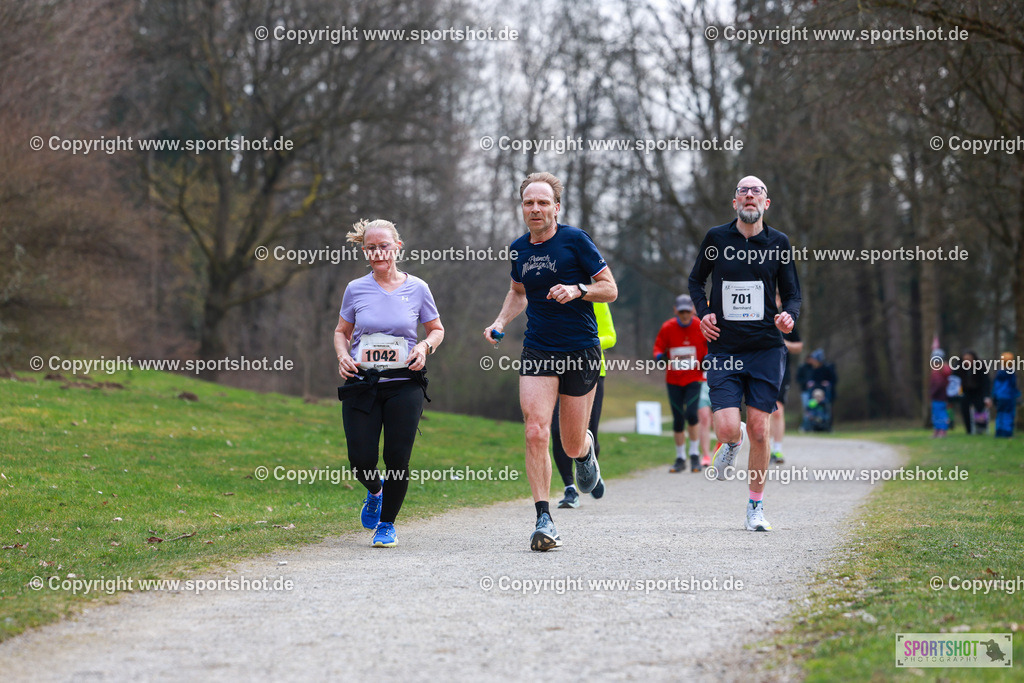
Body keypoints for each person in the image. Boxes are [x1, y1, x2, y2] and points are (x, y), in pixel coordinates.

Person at [485, 172, 617, 551]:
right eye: (529, 202)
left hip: (580, 350)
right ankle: (544, 518)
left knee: (571, 443)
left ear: (556, 208)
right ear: (522, 208)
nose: (536, 208)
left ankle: (586, 451)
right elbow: (518, 292)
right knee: (535, 430)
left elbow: (610, 288)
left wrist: (579, 289)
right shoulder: (519, 249)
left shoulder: (575, 241)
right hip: (538, 349)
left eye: (543, 202)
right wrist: (500, 321)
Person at [688, 175, 801, 532]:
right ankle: (731, 442)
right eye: (743, 191)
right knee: (725, 429)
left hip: (766, 348)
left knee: (760, 429)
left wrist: (789, 317)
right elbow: (695, 281)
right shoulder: (716, 238)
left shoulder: (779, 243)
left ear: (766, 203)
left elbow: (793, 294)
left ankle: (755, 506)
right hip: (724, 347)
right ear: (735, 202)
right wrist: (702, 311)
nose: (749, 195)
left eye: (757, 192)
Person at [334, 219, 444, 547]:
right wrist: (342, 356)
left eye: (384, 245)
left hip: (404, 384)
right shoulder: (355, 289)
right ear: (364, 250)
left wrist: (425, 346)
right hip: (362, 383)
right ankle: (375, 491)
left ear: (397, 246)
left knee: (398, 458)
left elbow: (437, 328)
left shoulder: (418, 288)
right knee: (361, 459)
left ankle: (387, 524)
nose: (378, 251)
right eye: (371, 247)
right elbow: (342, 332)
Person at [554, 302, 615, 508]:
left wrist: (582, 342)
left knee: (588, 433)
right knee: (556, 431)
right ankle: (569, 488)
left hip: (591, 371)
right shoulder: (552, 297)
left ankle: (590, 470)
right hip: (556, 371)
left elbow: (611, 336)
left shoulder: (596, 298)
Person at [653, 294, 709, 473]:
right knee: (678, 419)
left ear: (692, 310)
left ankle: (694, 455)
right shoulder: (668, 327)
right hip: (674, 379)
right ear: (675, 310)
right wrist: (659, 357)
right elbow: (658, 347)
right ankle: (680, 458)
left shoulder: (700, 326)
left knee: (692, 414)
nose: (685, 315)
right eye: (681, 311)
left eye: (687, 311)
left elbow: (710, 346)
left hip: (694, 378)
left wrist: (707, 359)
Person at [770, 291, 803, 464]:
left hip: (781, 371)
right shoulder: (755, 318)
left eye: (775, 296)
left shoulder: (786, 320)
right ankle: (764, 447)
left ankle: (777, 450)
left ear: (780, 300)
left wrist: (784, 343)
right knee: (762, 411)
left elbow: (799, 346)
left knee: (777, 410)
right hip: (759, 370)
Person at [797, 349, 837, 431]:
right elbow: (806, 379)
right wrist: (809, 383)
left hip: (825, 393)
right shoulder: (811, 369)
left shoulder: (827, 367)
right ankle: (809, 425)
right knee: (810, 408)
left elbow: (834, 379)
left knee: (826, 409)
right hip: (813, 393)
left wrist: (828, 383)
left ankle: (827, 426)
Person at [955, 350, 991, 435]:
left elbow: (986, 381)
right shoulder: (958, 366)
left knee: (980, 408)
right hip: (965, 391)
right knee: (965, 409)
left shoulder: (980, 365)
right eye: (965, 359)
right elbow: (955, 381)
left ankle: (981, 427)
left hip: (978, 391)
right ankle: (969, 430)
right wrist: (958, 393)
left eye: (969, 359)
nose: (967, 361)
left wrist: (987, 396)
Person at [993, 351, 1020, 438]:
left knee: (1000, 414)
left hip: (1000, 397)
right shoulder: (1010, 373)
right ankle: (1007, 432)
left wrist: (994, 396)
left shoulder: (999, 373)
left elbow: (995, 386)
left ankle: (999, 431)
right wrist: (1018, 395)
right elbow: (1013, 386)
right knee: (1008, 414)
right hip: (1008, 397)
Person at [929, 349, 952, 438]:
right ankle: (937, 430)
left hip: (940, 396)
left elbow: (938, 384)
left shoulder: (940, 370)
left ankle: (942, 430)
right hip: (940, 396)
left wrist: (932, 392)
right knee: (936, 414)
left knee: (941, 414)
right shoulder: (942, 369)